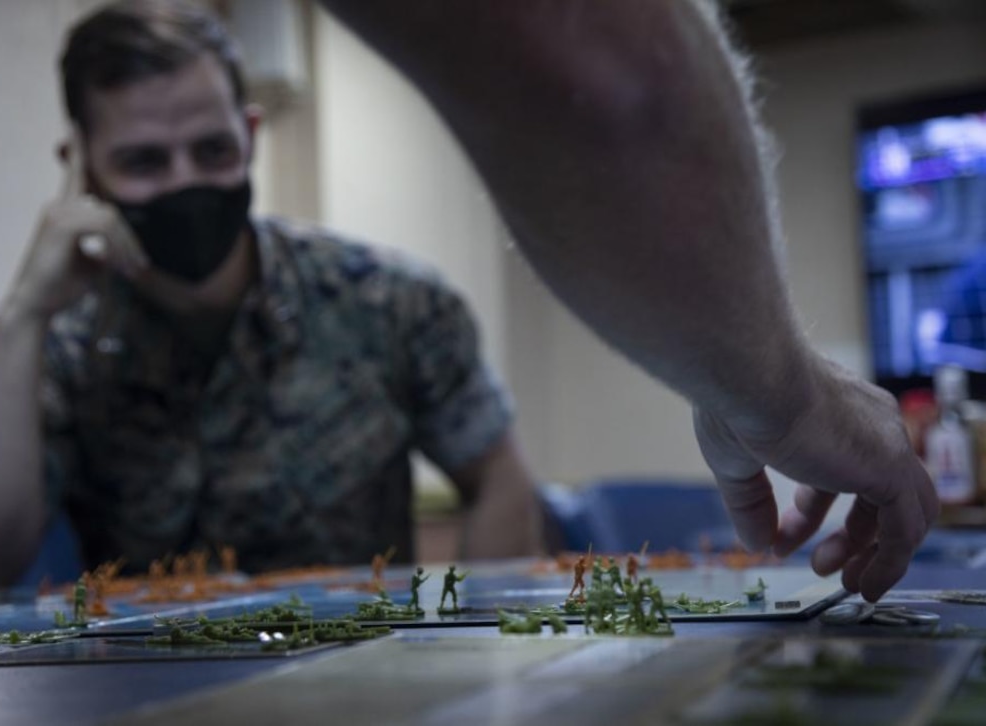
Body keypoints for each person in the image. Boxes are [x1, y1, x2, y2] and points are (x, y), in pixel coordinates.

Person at [318, 0, 939, 602]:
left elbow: (603, 63)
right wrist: (789, 396)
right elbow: (611, 73)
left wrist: (780, 395)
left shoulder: (379, 297)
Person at [0, 0, 541, 589]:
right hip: (148, 691)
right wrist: (26, 312)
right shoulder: (62, 340)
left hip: (360, 684)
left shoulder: (387, 300)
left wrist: (474, 640)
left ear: (250, 135)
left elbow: (498, 478)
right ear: (81, 166)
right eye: (144, 162)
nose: (186, 182)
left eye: (212, 151)